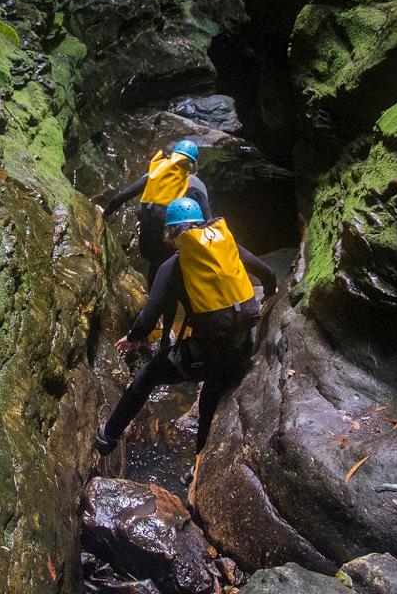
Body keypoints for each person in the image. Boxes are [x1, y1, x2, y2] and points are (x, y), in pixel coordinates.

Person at [95, 197, 277, 470]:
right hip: (244, 348)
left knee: (148, 374)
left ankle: (107, 437)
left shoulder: (173, 266)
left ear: (170, 233)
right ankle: (198, 465)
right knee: (211, 395)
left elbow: (148, 318)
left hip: (210, 355)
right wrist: (269, 298)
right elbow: (269, 275)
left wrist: (133, 338)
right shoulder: (227, 246)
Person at [100, 139, 212, 288]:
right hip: (170, 246)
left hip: (146, 244)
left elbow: (121, 197)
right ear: (193, 165)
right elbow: (209, 222)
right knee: (172, 282)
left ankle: (151, 302)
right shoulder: (194, 187)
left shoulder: (154, 174)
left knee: (155, 268)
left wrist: (105, 215)